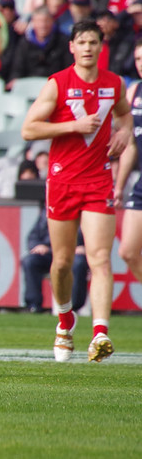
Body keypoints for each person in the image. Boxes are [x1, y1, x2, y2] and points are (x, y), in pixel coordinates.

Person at [21, 19, 132, 363]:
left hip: (98, 180)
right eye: (81, 42)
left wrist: (125, 132)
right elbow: (29, 129)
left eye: (93, 42)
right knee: (62, 263)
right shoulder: (57, 84)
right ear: (72, 47)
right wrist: (73, 125)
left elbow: (125, 116)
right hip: (63, 181)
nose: (87, 48)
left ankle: (100, 333)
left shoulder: (114, 84)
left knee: (99, 258)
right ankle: (65, 322)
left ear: (101, 46)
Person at [115, 39, 142, 315]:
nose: (141, 64)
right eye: (138, 59)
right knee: (127, 252)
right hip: (140, 183)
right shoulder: (133, 92)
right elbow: (130, 144)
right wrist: (119, 186)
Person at [22, 207, 89, 314]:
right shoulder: (48, 210)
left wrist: (86, 248)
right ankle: (33, 305)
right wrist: (37, 245)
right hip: (50, 252)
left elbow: (97, 241)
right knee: (30, 261)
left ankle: (73, 307)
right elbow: (33, 236)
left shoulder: (86, 212)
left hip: (74, 253)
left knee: (78, 263)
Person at [8, 7, 72, 89]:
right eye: (39, 21)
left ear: (52, 21)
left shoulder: (63, 41)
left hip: (55, 85)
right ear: (33, 22)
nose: (42, 25)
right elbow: (17, 68)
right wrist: (14, 80)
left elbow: (68, 68)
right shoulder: (24, 42)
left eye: (46, 21)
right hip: (29, 86)